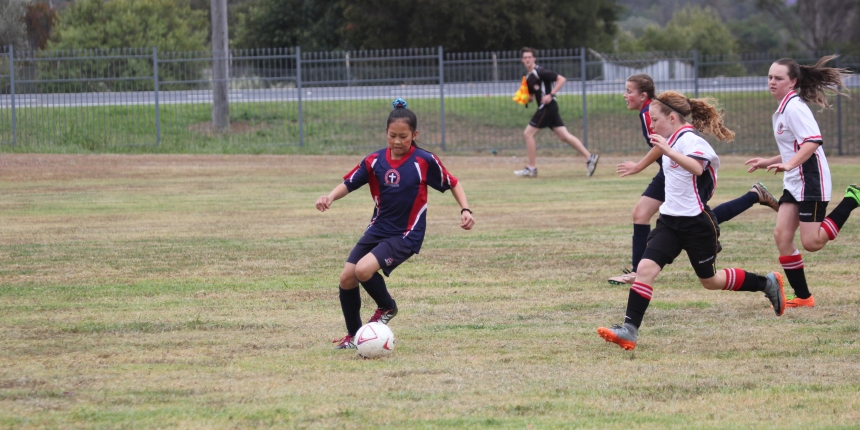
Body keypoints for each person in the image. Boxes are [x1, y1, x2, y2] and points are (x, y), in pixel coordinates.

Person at [598, 91, 786, 351]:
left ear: (672, 118)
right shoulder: (671, 139)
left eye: (654, 119)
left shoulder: (690, 141)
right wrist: (649, 159)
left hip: (697, 225)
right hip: (669, 223)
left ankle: (766, 283)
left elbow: (697, 167)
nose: (651, 124)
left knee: (711, 282)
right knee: (645, 270)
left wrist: (667, 150)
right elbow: (662, 152)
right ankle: (629, 330)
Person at [316, 98, 475, 349]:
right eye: (392, 136)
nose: (398, 141)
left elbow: (453, 182)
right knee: (347, 277)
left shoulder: (424, 161)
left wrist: (465, 209)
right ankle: (355, 336)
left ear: (415, 134)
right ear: (386, 133)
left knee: (363, 270)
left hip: (406, 234)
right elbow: (349, 183)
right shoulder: (375, 161)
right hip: (378, 228)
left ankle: (387, 306)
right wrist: (330, 197)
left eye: (404, 136)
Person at [608, 74, 780, 285]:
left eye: (629, 91)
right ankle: (753, 196)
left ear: (643, 95)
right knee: (688, 215)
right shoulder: (652, 112)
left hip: (678, 170)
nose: (625, 95)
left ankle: (638, 272)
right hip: (672, 171)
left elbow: (662, 146)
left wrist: (639, 166)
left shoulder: (649, 112)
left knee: (683, 215)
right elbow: (664, 145)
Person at [744, 56, 859, 308]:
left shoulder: (795, 107)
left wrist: (789, 164)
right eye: (770, 77)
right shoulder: (784, 107)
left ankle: (852, 198)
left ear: (792, 81)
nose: (772, 82)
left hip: (811, 178)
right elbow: (793, 148)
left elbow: (813, 141)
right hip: (795, 179)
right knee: (782, 236)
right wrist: (769, 161)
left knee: (812, 242)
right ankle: (804, 297)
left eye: (778, 78)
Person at [513, 47, 600, 178]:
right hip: (549, 108)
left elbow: (561, 79)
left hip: (547, 107)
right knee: (564, 136)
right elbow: (530, 98)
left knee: (528, 134)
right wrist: (523, 97)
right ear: (522, 60)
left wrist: (551, 94)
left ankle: (531, 168)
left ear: (534, 58)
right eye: (525, 58)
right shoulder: (529, 77)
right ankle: (590, 157)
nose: (527, 60)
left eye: (529, 57)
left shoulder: (539, 71)